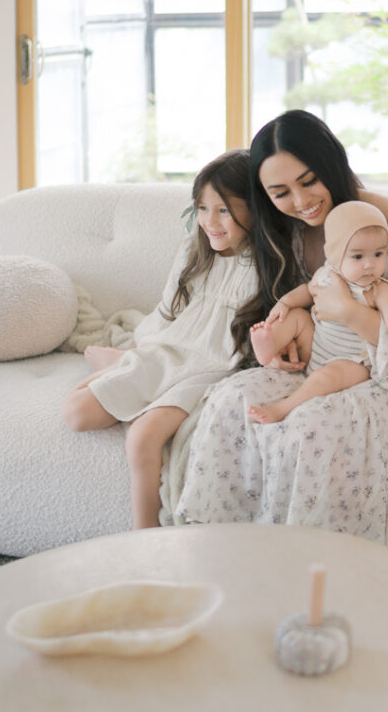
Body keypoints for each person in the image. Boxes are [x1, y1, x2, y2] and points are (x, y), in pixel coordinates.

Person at [168, 110, 388, 581]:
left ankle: (307, 576)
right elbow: (304, 303)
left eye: (309, 182)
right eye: (280, 192)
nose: (301, 201)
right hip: (323, 363)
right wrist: (288, 338)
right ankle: (223, 559)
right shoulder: (292, 230)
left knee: (312, 426)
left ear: (331, 164)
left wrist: (352, 314)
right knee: (232, 399)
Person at [61, 149, 259, 529]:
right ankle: (121, 362)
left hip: (209, 370)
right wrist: (140, 350)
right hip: (168, 351)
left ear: (255, 209)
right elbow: (167, 312)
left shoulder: (264, 266)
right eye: (203, 208)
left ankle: (145, 540)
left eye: (224, 210)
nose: (210, 221)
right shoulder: (193, 252)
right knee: (76, 413)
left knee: (143, 438)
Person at [246, 201, 388, 424]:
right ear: (335, 254)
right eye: (358, 256)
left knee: (326, 377)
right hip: (316, 345)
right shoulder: (326, 274)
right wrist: (285, 303)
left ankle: (283, 408)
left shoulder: (378, 290)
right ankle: (269, 343)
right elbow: (308, 290)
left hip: (352, 362)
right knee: (296, 317)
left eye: (378, 254)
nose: (369, 265)